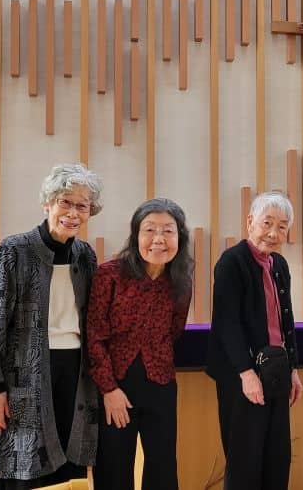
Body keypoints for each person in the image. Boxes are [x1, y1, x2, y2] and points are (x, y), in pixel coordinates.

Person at [0, 163, 103, 489]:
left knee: (68, 458)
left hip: (75, 371)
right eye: (65, 202)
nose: (73, 212)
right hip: (23, 372)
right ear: (48, 203)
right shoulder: (14, 251)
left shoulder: (85, 255)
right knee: (23, 463)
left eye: (82, 206)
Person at [86, 198, 194, 490]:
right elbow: (94, 336)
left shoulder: (180, 280)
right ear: (136, 236)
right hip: (116, 386)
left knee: (162, 468)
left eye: (168, 231)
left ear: (179, 238)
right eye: (150, 230)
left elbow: (174, 330)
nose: (158, 239)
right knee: (113, 467)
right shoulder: (109, 274)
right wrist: (109, 389)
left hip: (160, 383)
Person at [207, 192, 303, 490]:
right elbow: (227, 324)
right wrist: (246, 374)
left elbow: (285, 322)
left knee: (277, 456)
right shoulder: (231, 262)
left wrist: (293, 370)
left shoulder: (279, 264)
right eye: (267, 223)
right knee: (245, 459)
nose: (274, 233)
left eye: (283, 226)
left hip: (276, 372)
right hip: (241, 376)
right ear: (250, 222)